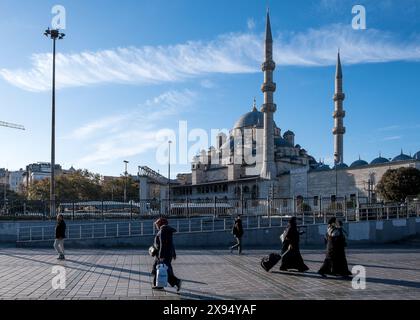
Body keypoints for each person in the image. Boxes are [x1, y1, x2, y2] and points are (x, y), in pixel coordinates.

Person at [151, 217, 182, 291]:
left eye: (157, 224)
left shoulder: (163, 231)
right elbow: (171, 243)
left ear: (160, 223)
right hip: (166, 254)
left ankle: (176, 282)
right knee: (158, 268)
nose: (156, 226)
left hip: (163, 255)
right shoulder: (165, 230)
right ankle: (158, 284)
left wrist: (161, 256)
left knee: (164, 270)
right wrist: (173, 253)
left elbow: (163, 244)